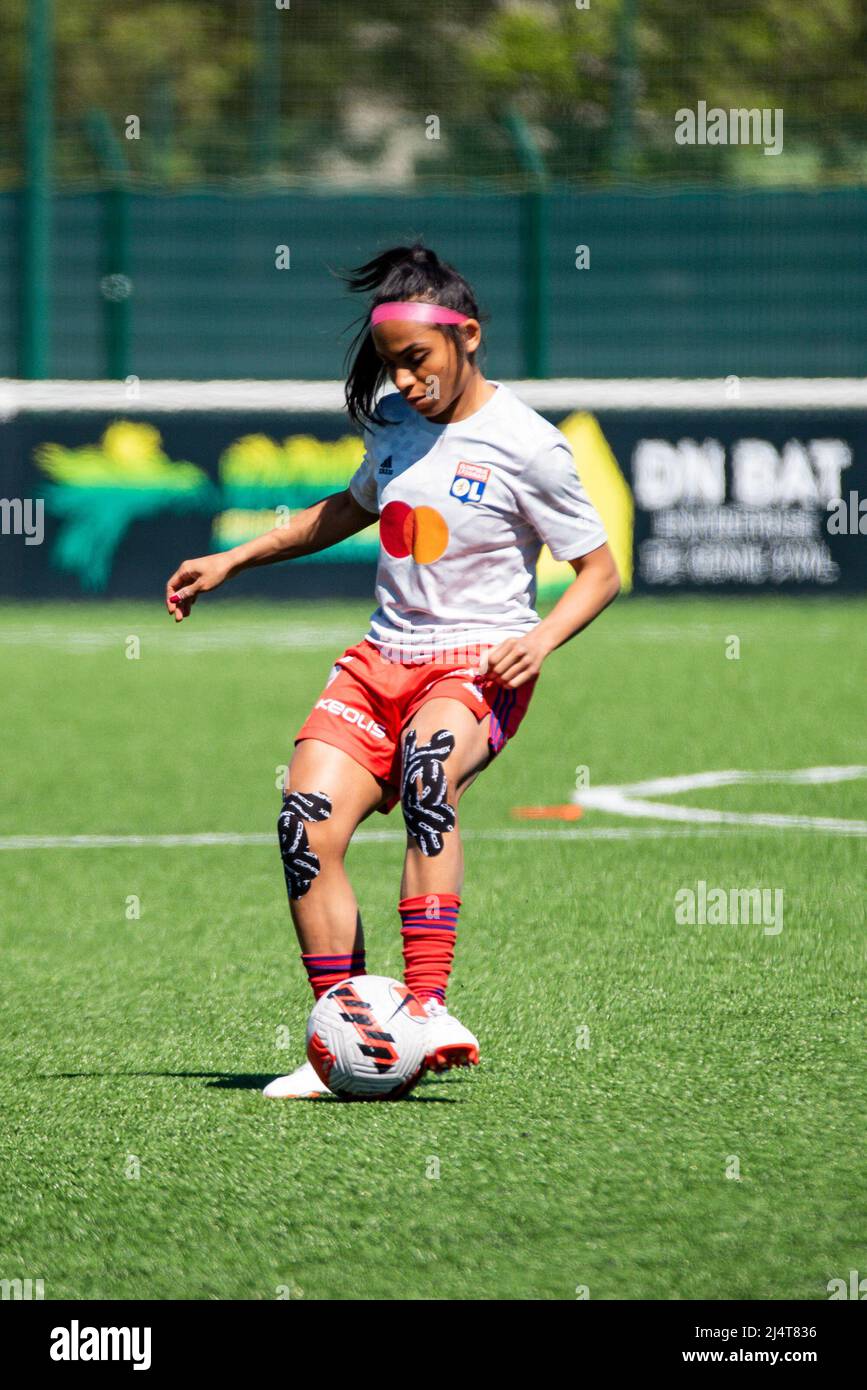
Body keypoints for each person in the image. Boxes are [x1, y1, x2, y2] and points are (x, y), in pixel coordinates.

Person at [165, 242, 620, 1098]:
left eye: (416, 361)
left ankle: (428, 1006)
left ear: (468, 337)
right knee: (303, 826)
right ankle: (343, 1038)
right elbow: (345, 509)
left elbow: (599, 569)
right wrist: (233, 559)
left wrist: (542, 639)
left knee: (425, 775)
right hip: (380, 662)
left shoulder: (528, 445)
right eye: (391, 365)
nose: (405, 381)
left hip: (476, 665)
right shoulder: (393, 425)